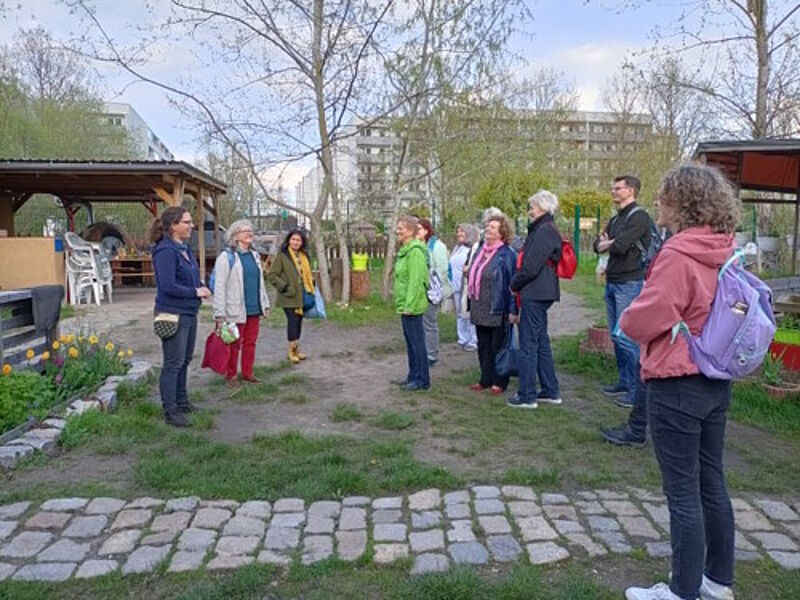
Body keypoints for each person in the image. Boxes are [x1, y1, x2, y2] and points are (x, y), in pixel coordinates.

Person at [621, 164, 739, 600]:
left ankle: (681, 591)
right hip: (714, 376)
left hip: (677, 379)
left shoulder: (678, 252)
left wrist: (627, 318)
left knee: (683, 491)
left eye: (664, 195)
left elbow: (648, 316)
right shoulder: (723, 246)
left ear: (682, 203)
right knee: (712, 481)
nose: (658, 202)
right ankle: (717, 580)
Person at [593, 174, 652, 409]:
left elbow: (620, 245)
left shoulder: (640, 217)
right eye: (614, 188)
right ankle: (625, 382)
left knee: (624, 336)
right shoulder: (616, 218)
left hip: (630, 282)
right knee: (616, 337)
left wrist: (609, 243)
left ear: (631, 191)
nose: (614, 191)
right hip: (612, 280)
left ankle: (639, 390)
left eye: (618, 188)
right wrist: (606, 244)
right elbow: (597, 245)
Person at [150, 206, 211, 428]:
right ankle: (171, 410)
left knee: (185, 360)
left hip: (188, 312)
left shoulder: (184, 249)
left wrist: (201, 286)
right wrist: (195, 292)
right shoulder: (165, 251)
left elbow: (190, 278)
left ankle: (182, 402)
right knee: (173, 363)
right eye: (186, 222)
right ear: (173, 226)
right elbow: (167, 286)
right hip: (172, 313)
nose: (191, 225)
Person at [507, 190, 562, 409]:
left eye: (533, 206)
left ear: (543, 208)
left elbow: (531, 266)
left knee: (528, 343)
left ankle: (527, 395)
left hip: (536, 291)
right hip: (542, 290)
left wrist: (514, 284)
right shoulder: (546, 229)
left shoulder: (543, 231)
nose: (530, 210)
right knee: (540, 341)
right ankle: (550, 389)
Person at [212, 219, 271, 386]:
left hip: (254, 307)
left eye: (250, 230)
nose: (249, 233)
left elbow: (260, 283)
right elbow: (220, 287)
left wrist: (265, 303)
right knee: (234, 343)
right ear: (235, 236)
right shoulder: (226, 257)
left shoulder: (255, 256)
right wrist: (219, 313)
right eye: (244, 231)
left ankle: (247, 373)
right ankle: (231, 375)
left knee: (250, 342)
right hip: (235, 309)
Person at [466, 214, 516, 395]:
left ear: (502, 232)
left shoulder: (507, 255)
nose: (488, 229)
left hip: (497, 306)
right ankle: (485, 378)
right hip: (480, 305)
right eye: (487, 226)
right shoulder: (480, 251)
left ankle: (499, 380)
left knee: (498, 346)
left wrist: (513, 310)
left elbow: (513, 285)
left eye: (492, 227)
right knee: (483, 345)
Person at [394, 216, 430, 391]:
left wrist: (409, 305)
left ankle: (422, 379)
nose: (397, 231)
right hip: (405, 304)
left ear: (410, 231)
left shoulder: (415, 252)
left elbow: (415, 282)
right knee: (410, 343)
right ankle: (413, 376)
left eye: (401, 228)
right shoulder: (405, 250)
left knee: (417, 343)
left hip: (412, 306)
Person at [268, 228, 315, 364]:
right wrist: (285, 287)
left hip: (302, 295)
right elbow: (272, 275)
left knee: (298, 323)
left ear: (302, 242)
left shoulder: (304, 256)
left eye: (298, 240)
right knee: (293, 322)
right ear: (289, 240)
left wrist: (311, 284)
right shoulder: (282, 256)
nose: (295, 242)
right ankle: (291, 351)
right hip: (289, 296)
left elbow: (306, 274)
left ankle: (296, 350)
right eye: (293, 239)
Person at [416, 218, 452, 366]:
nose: (416, 232)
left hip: (433, 290)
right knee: (422, 323)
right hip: (419, 289)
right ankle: (423, 350)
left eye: (419, 229)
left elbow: (441, 270)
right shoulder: (417, 245)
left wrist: (431, 285)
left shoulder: (437, 246)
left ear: (426, 230)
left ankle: (431, 354)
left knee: (429, 322)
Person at [449, 223, 479, 351]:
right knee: (460, 314)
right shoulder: (457, 248)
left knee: (469, 313)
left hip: (467, 286)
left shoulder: (473, 248)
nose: (459, 234)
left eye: (462, 231)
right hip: (456, 286)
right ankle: (463, 338)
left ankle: (473, 340)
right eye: (458, 231)